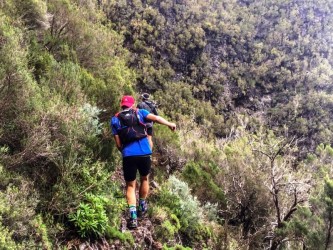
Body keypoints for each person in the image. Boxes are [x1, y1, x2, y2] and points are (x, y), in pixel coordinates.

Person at [110, 95, 176, 229]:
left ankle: (133, 217)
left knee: (130, 185)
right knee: (145, 178)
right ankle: (142, 205)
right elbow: (156, 118)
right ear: (133, 105)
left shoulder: (115, 119)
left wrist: (125, 152)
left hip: (128, 154)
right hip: (145, 152)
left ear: (121, 105)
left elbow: (118, 143)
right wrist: (169, 124)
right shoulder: (140, 112)